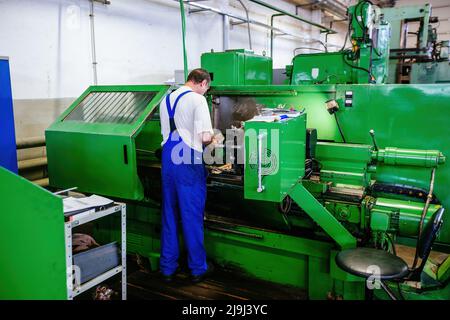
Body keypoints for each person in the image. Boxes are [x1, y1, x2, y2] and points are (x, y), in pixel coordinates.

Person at [159, 68, 215, 283]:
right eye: (207, 88)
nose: (205, 92)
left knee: (169, 214)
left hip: (168, 158)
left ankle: (167, 268)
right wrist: (215, 138)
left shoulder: (166, 99)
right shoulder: (197, 100)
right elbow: (204, 136)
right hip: (187, 160)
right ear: (202, 83)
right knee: (191, 215)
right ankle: (198, 268)